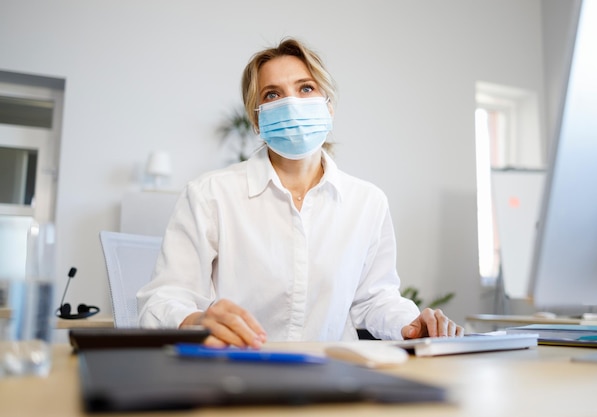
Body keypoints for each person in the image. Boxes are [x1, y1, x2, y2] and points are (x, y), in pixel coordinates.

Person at [137, 37, 464, 348]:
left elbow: (374, 298)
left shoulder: (367, 202)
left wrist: (410, 324)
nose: (292, 104)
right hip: (237, 372)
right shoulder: (209, 195)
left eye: (306, 88)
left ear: (329, 106)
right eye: (272, 95)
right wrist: (197, 321)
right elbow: (163, 299)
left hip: (334, 377)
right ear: (256, 118)